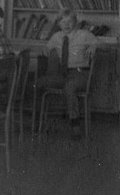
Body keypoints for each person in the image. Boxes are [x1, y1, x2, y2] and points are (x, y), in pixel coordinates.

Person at [35, 9, 97, 138]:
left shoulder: (84, 34)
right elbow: (46, 49)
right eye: (62, 21)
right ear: (58, 23)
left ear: (76, 22)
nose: (66, 24)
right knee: (38, 83)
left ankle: (75, 125)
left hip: (80, 74)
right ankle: (37, 121)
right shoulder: (56, 36)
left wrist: (92, 47)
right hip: (62, 74)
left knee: (70, 87)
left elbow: (99, 44)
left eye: (70, 21)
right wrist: (45, 51)